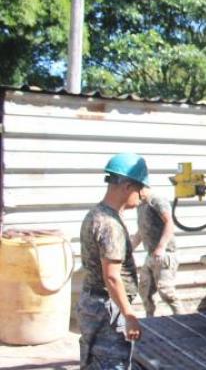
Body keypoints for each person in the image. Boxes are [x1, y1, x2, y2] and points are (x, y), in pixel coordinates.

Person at [77, 153, 149, 369]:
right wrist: (129, 314)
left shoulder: (95, 214)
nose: (143, 195)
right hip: (109, 308)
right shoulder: (110, 225)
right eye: (140, 189)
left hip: (92, 302)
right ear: (127, 186)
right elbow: (112, 276)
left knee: (92, 361)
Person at [132, 191, 185, 317]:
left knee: (166, 292)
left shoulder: (156, 200)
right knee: (145, 290)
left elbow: (169, 223)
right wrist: (130, 247)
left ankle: (184, 318)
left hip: (164, 255)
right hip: (150, 255)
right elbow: (142, 230)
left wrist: (161, 247)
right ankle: (150, 318)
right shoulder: (140, 205)